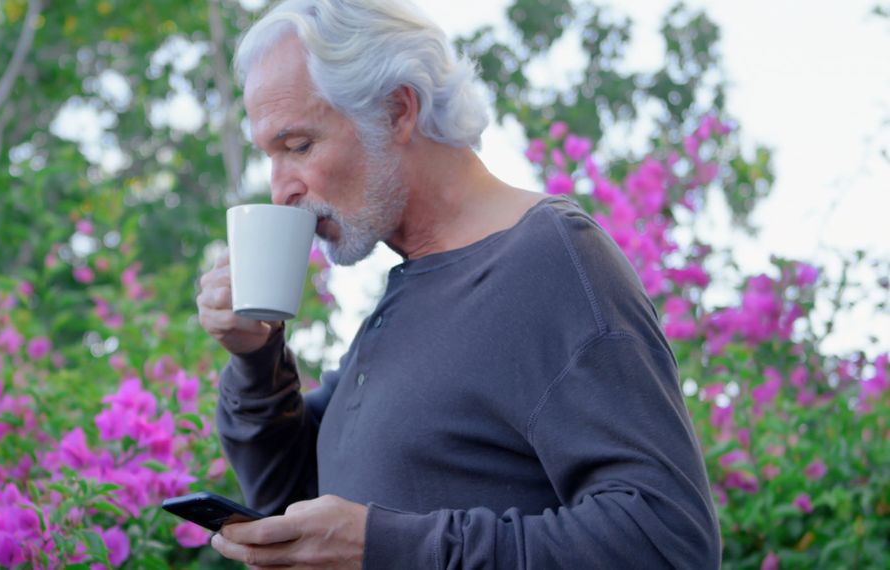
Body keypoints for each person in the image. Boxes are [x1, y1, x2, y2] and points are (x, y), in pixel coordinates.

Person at [194, 0, 721, 567]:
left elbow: (667, 541)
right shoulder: (407, 293)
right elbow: (292, 503)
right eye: (269, 155)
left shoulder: (548, 260)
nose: (281, 191)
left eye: (297, 146)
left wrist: (387, 547)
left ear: (397, 110)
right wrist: (256, 357)